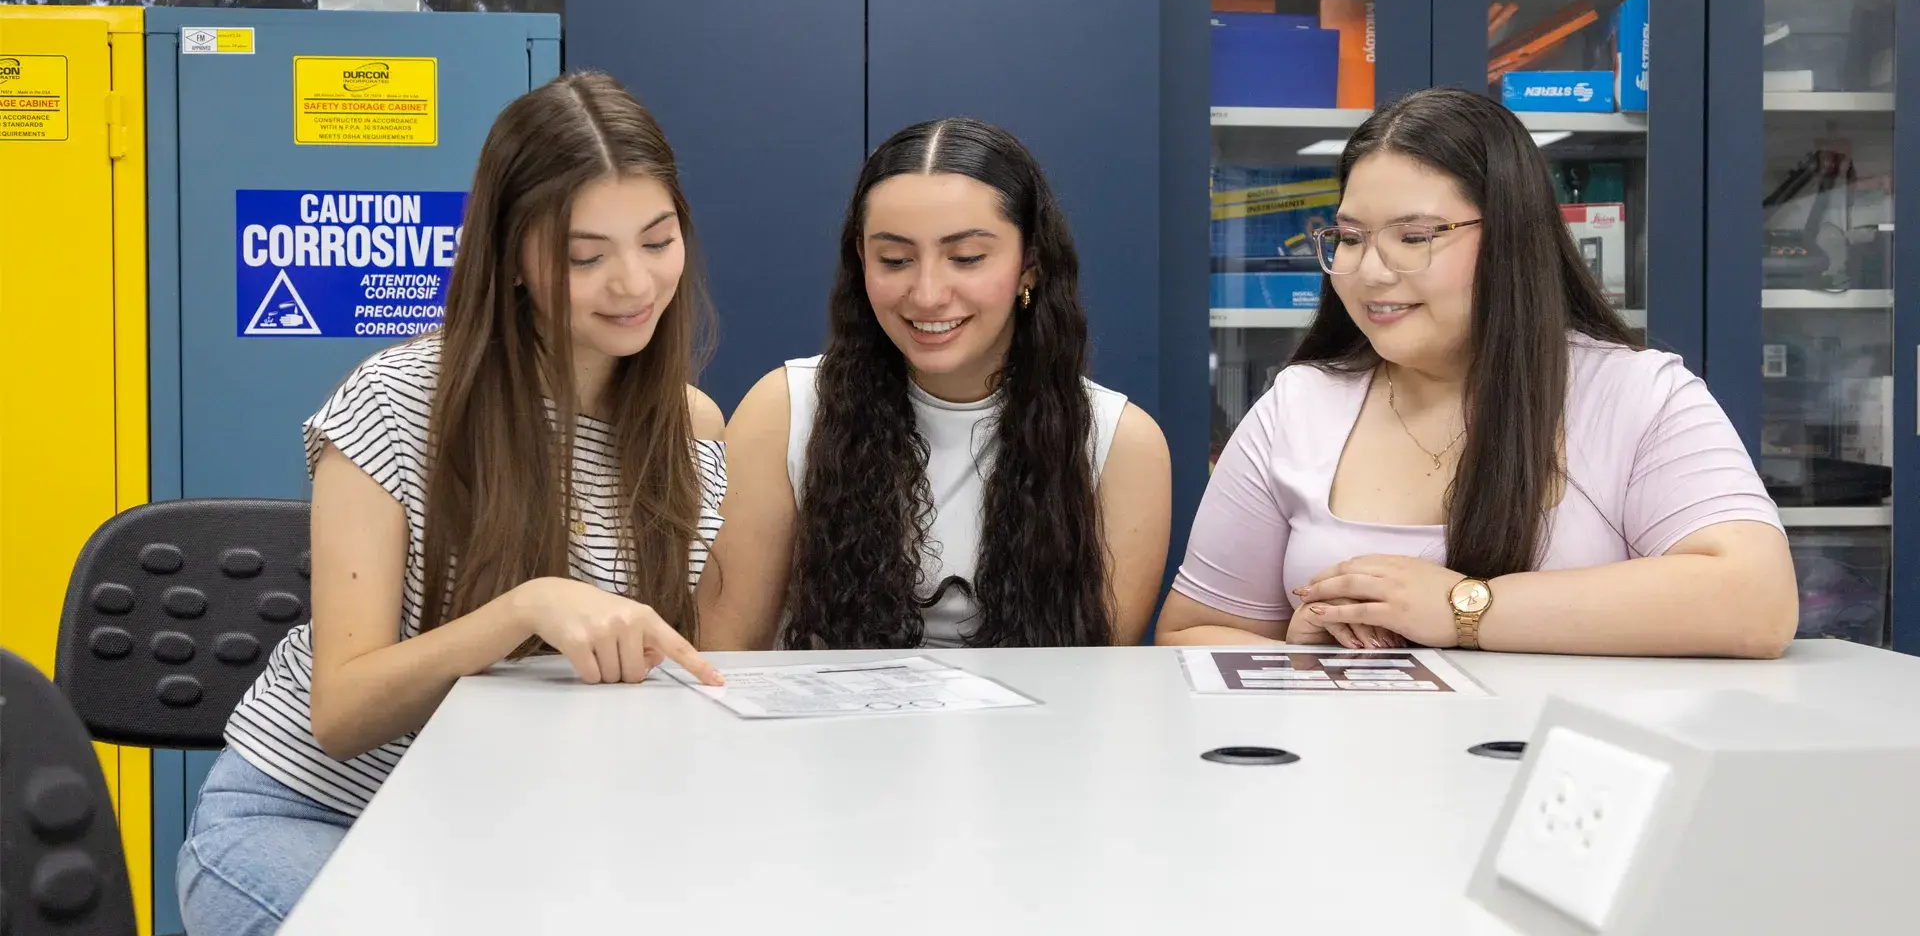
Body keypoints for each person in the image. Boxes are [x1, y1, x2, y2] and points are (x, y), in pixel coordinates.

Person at [177, 70, 728, 935]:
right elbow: (343, 713)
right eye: (585, 255)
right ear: (510, 258)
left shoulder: (690, 432)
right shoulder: (397, 402)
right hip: (313, 820)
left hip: (506, 846)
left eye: (657, 241)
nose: (634, 283)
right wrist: (526, 607)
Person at [1157, 86, 1798, 658]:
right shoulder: (1301, 405)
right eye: (1351, 238)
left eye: (1414, 237)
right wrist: (1302, 650)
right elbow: (1191, 632)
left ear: (1512, 237)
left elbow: (1755, 601)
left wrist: (1462, 609)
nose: (1371, 272)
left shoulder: (1636, 396)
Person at [707, 118, 1171, 649]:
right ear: (862, 261)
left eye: (966, 258)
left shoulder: (1120, 445)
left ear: (1030, 266)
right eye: (895, 260)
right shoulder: (784, 412)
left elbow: (1098, 681)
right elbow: (724, 658)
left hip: (1038, 731)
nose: (927, 294)